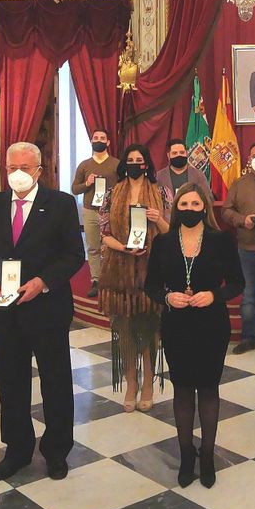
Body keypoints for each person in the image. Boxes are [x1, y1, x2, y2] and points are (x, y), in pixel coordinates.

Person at [0, 142, 86, 481]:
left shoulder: (61, 204)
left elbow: (74, 254)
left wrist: (43, 281)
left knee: (55, 381)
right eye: (12, 168)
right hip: (5, 312)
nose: (18, 174)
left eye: (24, 167)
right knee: (11, 382)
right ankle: (17, 450)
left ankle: (56, 450)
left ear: (39, 170)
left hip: (47, 308)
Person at [145, 183, 243, 487]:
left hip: (212, 324)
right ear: (176, 208)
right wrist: (166, 297)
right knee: (183, 390)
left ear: (205, 208)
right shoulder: (163, 242)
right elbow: (150, 285)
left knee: (209, 389)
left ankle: (208, 455)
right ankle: (187, 454)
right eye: (184, 204)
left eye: (195, 204)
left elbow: (237, 282)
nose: (189, 209)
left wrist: (214, 295)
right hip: (176, 324)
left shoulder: (220, 240)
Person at [99, 142, 172, 412]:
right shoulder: (111, 194)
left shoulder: (161, 192)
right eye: (129, 160)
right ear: (124, 164)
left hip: (152, 268)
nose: (134, 164)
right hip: (119, 268)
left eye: (139, 160)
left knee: (150, 328)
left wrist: (158, 219)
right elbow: (104, 234)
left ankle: (148, 382)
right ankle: (131, 382)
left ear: (147, 164)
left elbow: (170, 231)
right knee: (125, 329)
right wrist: (124, 247)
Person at [222, 141, 255, 354]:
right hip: (246, 248)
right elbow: (226, 211)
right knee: (249, 296)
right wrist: (242, 220)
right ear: (248, 159)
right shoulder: (239, 184)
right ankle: (248, 337)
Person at [70, 128, 119, 297]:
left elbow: (124, 186)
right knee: (93, 247)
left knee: (111, 246)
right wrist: (87, 183)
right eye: (95, 137)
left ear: (108, 142)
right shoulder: (84, 165)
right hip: (90, 210)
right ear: (91, 141)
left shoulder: (116, 164)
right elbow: (74, 189)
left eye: (102, 138)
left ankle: (111, 278)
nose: (99, 140)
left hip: (111, 211)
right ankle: (96, 280)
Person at [156, 136, 208, 205]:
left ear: (186, 153)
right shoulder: (159, 176)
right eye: (175, 153)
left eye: (182, 152)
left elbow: (208, 198)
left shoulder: (198, 175)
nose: (179, 155)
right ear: (168, 156)